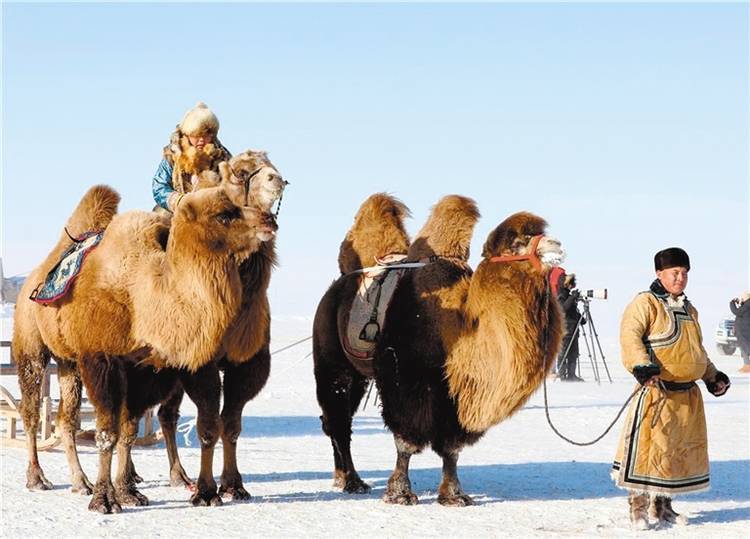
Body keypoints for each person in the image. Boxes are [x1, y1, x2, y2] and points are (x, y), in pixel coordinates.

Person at [612, 247, 730, 529]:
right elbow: (630, 336)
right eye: (675, 272)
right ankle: (638, 509)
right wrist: (641, 365)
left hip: (687, 397)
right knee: (647, 452)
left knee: (676, 454)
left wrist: (712, 376)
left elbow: (695, 350)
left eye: (685, 273)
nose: (680, 278)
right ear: (659, 273)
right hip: (657, 391)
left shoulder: (690, 309)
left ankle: (663, 508)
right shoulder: (645, 303)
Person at [152, 102, 231, 213]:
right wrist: (179, 201)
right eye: (197, 134)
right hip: (178, 210)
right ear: (187, 133)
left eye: (207, 134)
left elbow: (233, 186)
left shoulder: (222, 157)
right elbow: (159, 186)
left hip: (212, 210)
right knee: (159, 218)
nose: (202, 139)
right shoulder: (172, 154)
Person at [550, 268, 585, 381]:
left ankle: (571, 374)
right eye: (571, 284)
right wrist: (572, 297)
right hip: (566, 329)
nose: (572, 286)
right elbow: (563, 309)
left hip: (574, 329)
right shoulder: (561, 295)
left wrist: (581, 318)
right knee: (564, 352)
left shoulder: (569, 295)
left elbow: (572, 311)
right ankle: (562, 374)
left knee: (574, 353)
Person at [730, 292, 750, 373]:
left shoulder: (748, 304)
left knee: (744, 348)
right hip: (743, 330)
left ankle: (747, 365)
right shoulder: (746, 305)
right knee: (744, 347)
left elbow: (736, 312)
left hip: (744, 330)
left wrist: (732, 303)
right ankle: (746, 365)